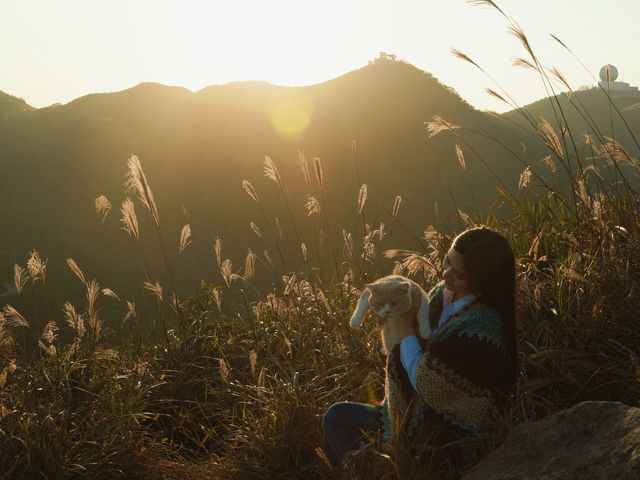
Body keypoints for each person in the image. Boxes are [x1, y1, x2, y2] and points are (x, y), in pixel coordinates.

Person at [322, 226, 519, 467]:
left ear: (483, 282)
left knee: (338, 428)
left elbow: (428, 383)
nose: (445, 275)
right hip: (406, 407)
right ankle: (363, 464)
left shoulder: (481, 328)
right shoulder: (442, 294)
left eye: (458, 275)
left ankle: (376, 464)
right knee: (336, 417)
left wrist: (404, 328)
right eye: (447, 262)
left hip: (441, 427)